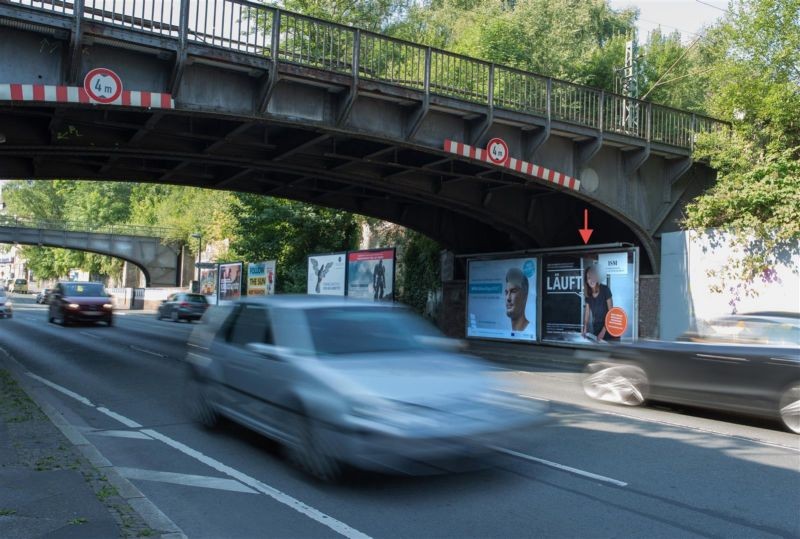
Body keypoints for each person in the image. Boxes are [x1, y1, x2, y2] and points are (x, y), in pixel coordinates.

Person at [582, 265, 617, 342]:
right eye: (589, 278)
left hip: (609, 328)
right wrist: (585, 327)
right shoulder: (588, 295)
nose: (591, 279)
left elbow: (611, 313)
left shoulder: (605, 289)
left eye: (593, 276)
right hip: (597, 328)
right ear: (586, 281)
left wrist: (603, 331)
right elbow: (587, 314)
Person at [505, 267, 529, 332]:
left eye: (513, 291)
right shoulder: (506, 332)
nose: (508, 298)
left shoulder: (531, 330)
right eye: (506, 292)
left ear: (525, 295)